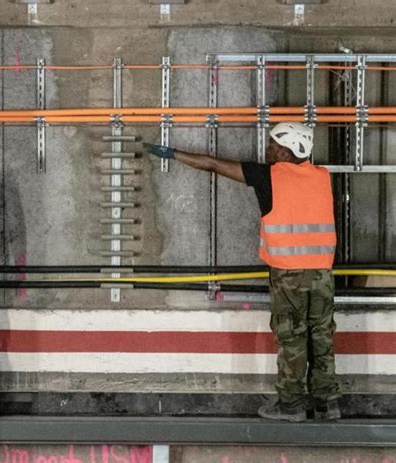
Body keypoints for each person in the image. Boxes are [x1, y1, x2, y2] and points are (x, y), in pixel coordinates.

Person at [144, 122, 341, 422]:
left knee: (292, 338)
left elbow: (212, 164)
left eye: (274, 145)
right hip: (323, 276)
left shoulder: (270, 176)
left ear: (287, 151)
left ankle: (291, 406)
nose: (268, 149)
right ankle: (328, 405)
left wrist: (172, 153)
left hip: (290, 275)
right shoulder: (322, 177)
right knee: (322, 337)